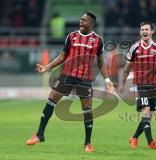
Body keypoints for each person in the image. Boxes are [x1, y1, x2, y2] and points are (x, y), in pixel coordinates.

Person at [26, 11, 115, 152]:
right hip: (67, 75)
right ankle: (39, 134)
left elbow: (101, 63)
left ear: (91, 24)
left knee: (87, 109)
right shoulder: (72, 36)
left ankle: (87, 143)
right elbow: (62, 56)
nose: (81, 22)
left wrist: (108, 81)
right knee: (51, 100)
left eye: (84, 20)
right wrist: (47, 67)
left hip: (85, 78)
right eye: (80, 19)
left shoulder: (98, 40)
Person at [119, 22, 156, 149]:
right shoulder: (134, 47)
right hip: (141, 84)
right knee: (145, 111)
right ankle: (151, 142)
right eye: (142, 29)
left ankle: (134, 137)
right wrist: (122, 83)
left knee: (150, 115)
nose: (144, 31)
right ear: (140, 32)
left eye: (146, 29)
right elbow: (127, 67)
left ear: (152, 31)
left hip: (154, 85)